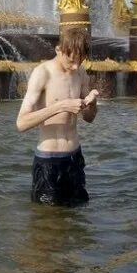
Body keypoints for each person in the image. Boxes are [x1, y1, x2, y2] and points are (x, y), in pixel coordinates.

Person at [15, 27, 100, 206]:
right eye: (71, 60)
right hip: (48, 162)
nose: (76, 66)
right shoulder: (42, 73)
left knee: (79, 218)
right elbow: (21, 123)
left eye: (81, 60)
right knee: (47, 223)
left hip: (75, 159)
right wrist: (60, 106)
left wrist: (91, 104)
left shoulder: (81, 72)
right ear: (58, 50)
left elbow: (89, 118)